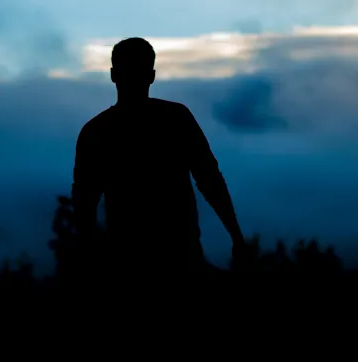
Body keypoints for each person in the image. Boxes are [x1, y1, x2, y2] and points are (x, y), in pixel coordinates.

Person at [71, 37, 246, 289]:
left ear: (112, 75)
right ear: (152, 76)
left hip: (127, 263)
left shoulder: (95, 131)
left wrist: (91, 260)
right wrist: (236, 236)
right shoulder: (176, 119)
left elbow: (83, 204)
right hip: (178, 259)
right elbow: (210, 180)